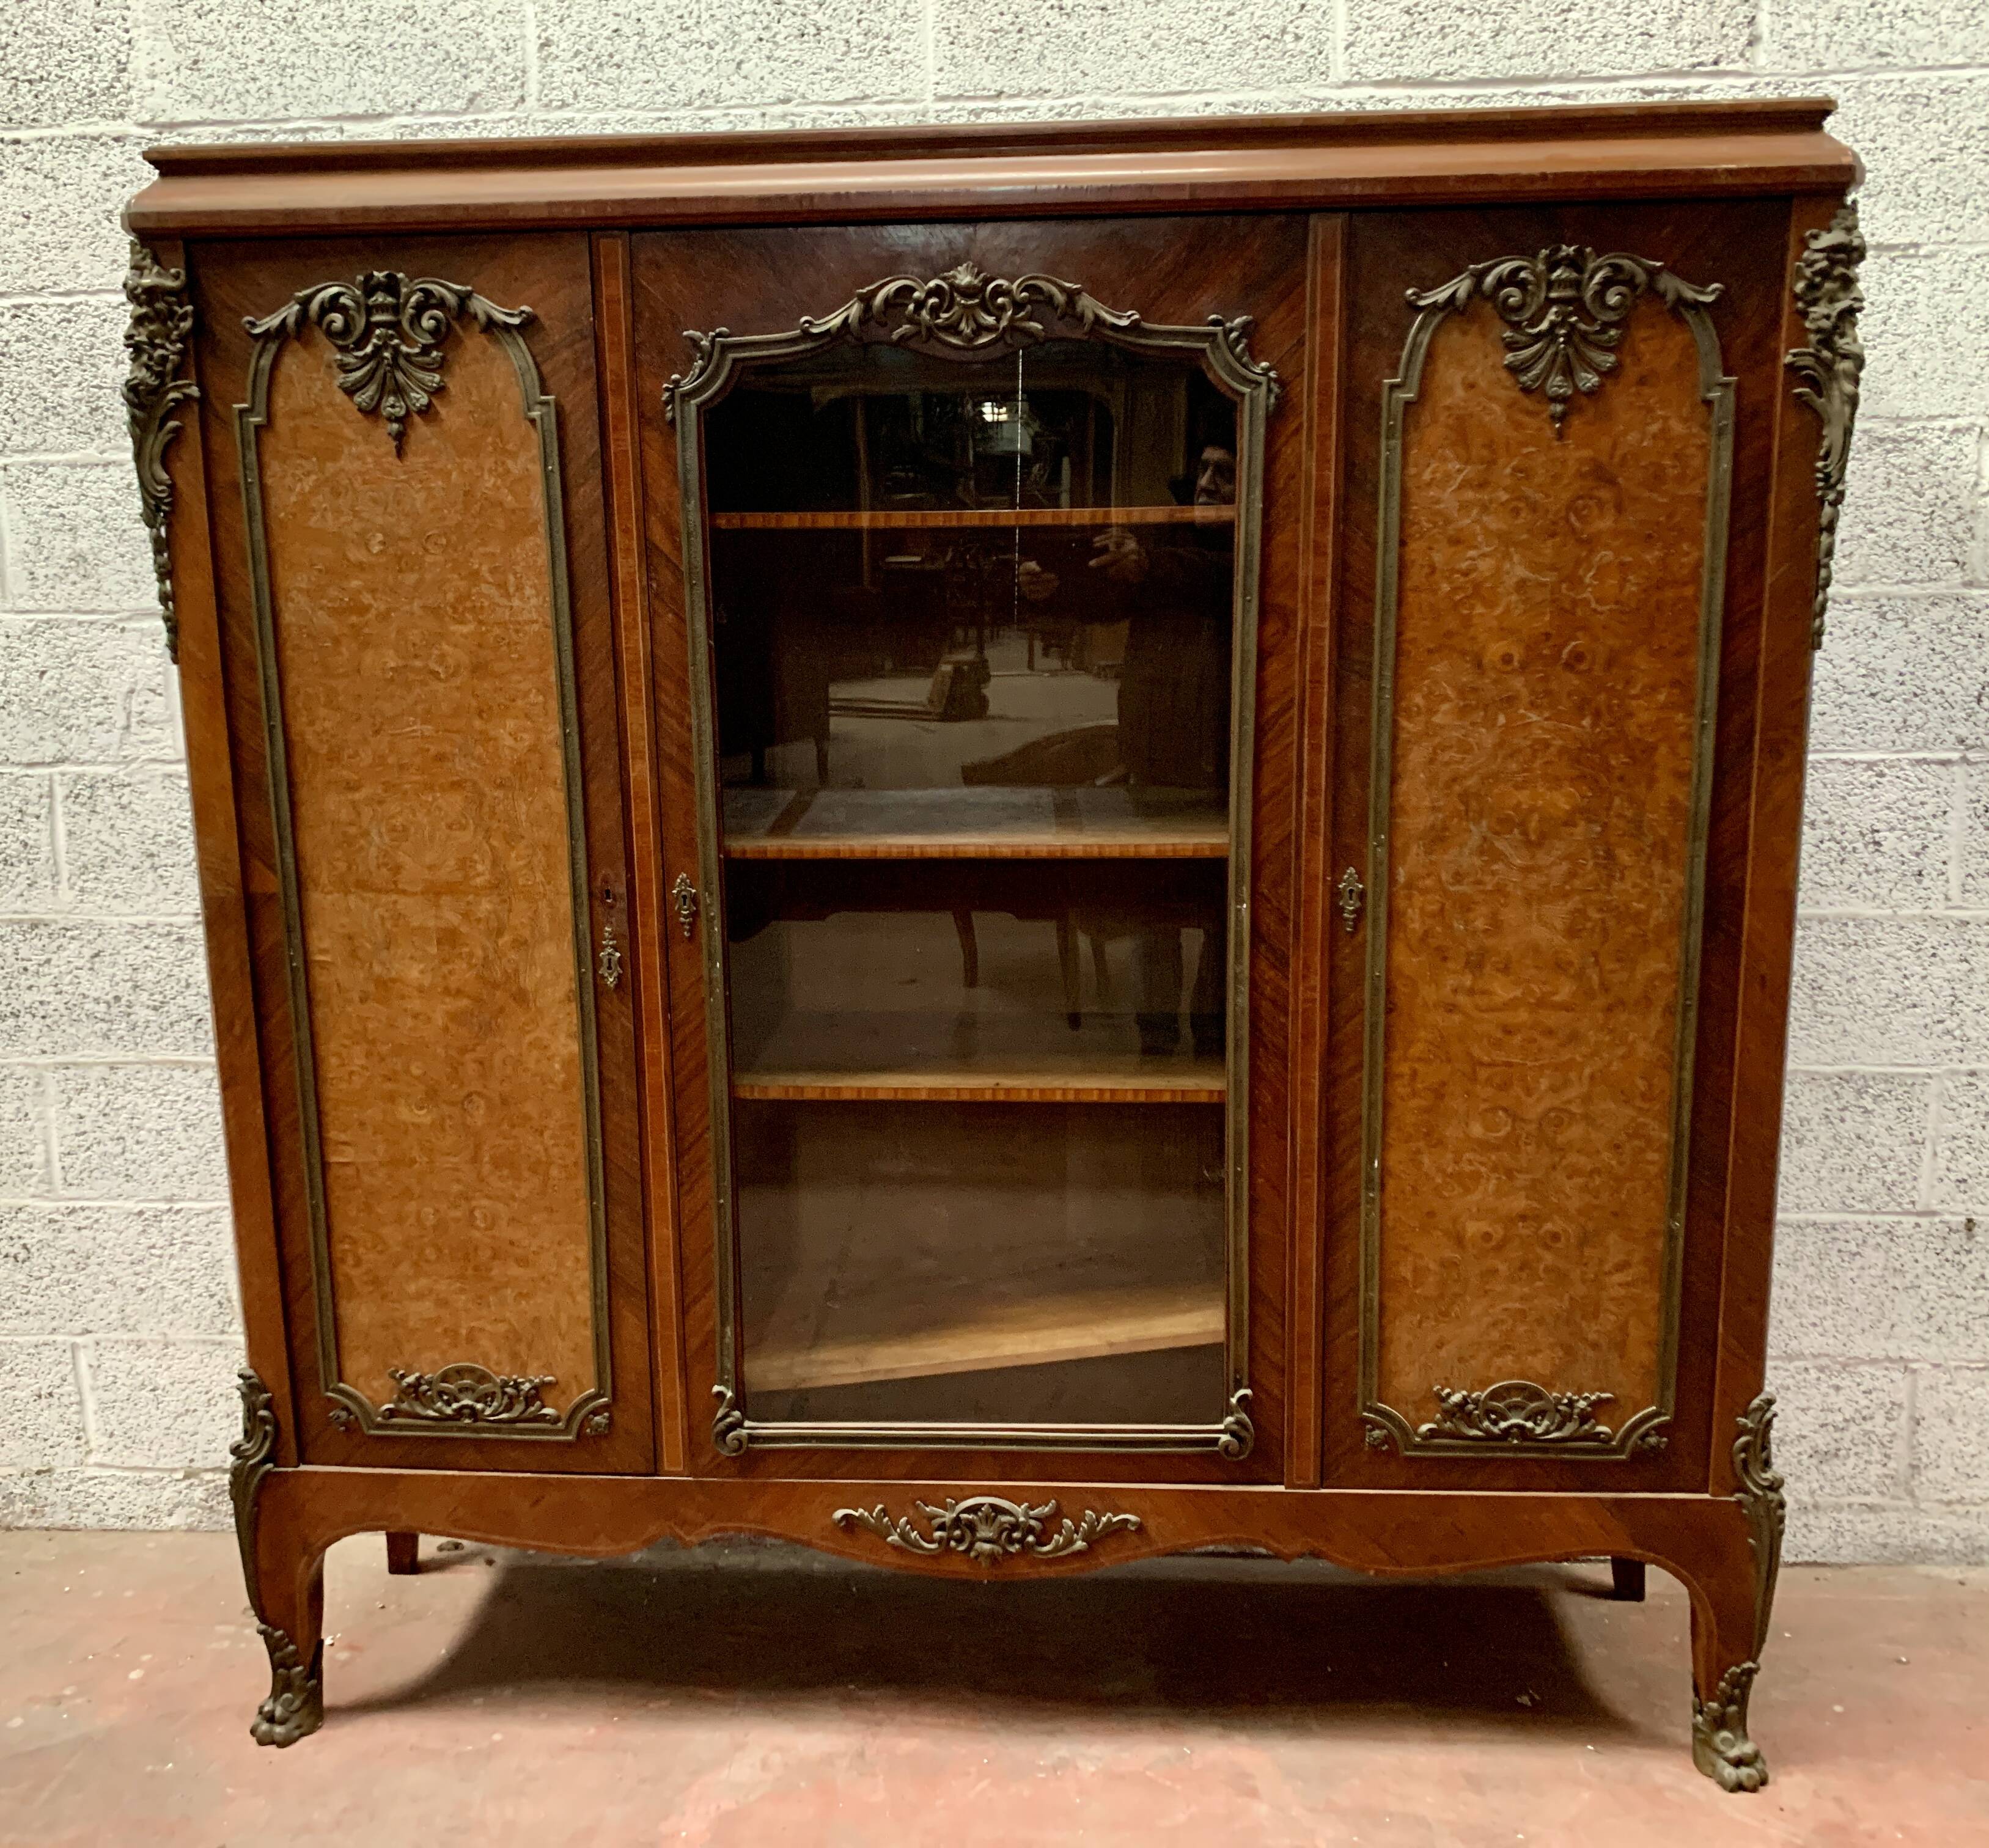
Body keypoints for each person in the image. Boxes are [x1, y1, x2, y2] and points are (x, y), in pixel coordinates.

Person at [1018, 440, 1236, 1058]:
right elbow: (1114, 596)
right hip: (1157, 752)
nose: (1208, 484)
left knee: (1223, 909)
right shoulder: (1165, 541)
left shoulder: (1253, 543)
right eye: (1202, 469)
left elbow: (1206, 578)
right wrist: (1054, 589)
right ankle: (1157, 1039)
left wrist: (1146, 566)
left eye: (1225, 473)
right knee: (1154, 907)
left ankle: (1214, 1037)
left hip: (1230, 757)